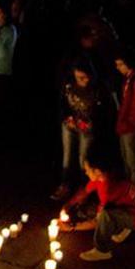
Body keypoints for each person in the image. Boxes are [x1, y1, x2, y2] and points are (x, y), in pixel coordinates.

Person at [58, 149, 135, 263]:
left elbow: (98, 221)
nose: (85, 172)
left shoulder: (109, 189)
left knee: (105, 216)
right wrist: (68, 205)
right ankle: (120, 228)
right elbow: (84, 191)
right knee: (94, 210)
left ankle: (102, 250)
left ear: (97, 171)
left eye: (87, 169)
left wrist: (71, 227)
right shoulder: (104, 176)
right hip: (130, 208)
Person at [54, 62, 105, 200]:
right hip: (69, 125)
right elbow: (62, 105)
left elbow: (101, 111)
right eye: (79, 77)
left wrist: (89, 122)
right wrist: (67, 118)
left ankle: (84, 189)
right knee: (67, 155)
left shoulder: (96, 90)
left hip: (87, 128)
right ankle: (65, 185)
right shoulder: (68, 86)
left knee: (84, 158)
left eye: (85, 77)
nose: (83, 80)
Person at [115, 48, 135, 187]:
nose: (118, 68)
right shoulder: (127, 80)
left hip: (130, 127)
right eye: (117, 65)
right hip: (124, 125)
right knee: (126, 160)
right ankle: (129, 190)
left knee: (132, 161)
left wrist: (129, 125)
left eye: (121, 64)